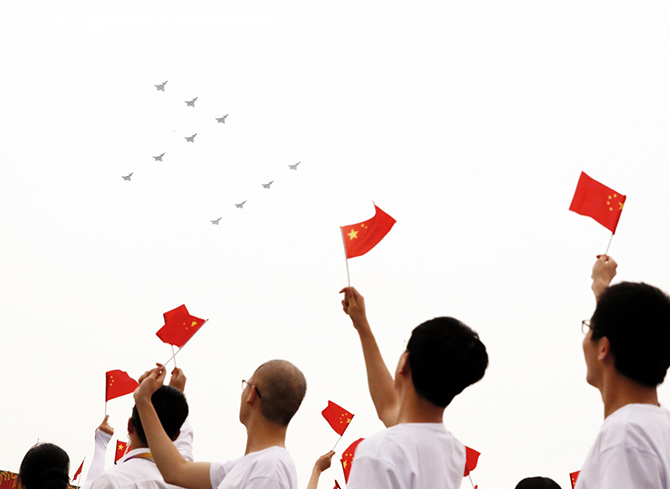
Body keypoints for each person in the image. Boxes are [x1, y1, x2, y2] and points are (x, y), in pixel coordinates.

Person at [339, 287, 488, 488]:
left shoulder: (378, 452)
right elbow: (389, 408)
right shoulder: (452, 452)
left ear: (405, 363)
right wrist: (362, 326)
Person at [133, 359, 306, 489]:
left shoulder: (268, 469)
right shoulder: (250, 465)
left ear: (252, 394)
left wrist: (144, 399)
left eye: (246, 385)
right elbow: (176, 470)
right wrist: (144, 400)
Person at [577, 255, 670, 488]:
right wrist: (601, 288)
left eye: (589, 327)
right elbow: (629, 330)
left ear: (603, 348)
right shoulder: (657, 428)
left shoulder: (625, 436)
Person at [89, 367, 192, 489]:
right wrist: (174, 395)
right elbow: (183, 444)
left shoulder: (112, 481)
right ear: (176, 436)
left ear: (129, 425)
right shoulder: (186, 480)